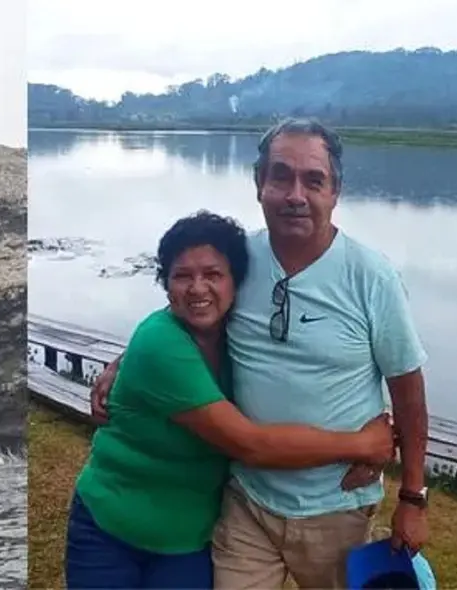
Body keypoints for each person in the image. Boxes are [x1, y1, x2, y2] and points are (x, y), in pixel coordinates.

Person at [89, 118, 430, 589]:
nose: (295, 194)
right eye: (280, 176)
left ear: (335, 191)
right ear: (258, 185)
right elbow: (190, 308)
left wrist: (413, 498)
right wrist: (126, 361)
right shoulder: (240, 260)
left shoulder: (372, 278)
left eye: (313, 180)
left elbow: (408, 391)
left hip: (337, 508)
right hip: (247, 501)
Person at [64, 211, 396, 590]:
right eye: (182, 276)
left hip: (187, 541)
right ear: (166, 285)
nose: (197, 288)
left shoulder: (239, 330)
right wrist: (364, 443)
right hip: (112, 529)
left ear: (236, 283)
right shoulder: (159, 342)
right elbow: (249, 445)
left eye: (213, 274)